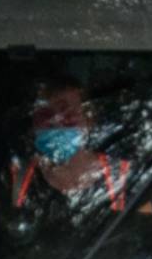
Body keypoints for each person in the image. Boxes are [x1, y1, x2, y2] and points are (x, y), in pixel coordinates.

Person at [17, 77, 128, 211]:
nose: (56, 124)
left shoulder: (119, 175)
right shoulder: (22, 178)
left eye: (67, 115)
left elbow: (142, 226)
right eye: (46, 118)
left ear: (89, 120)